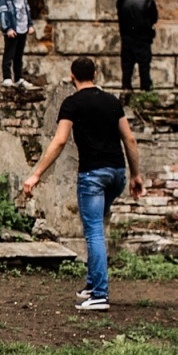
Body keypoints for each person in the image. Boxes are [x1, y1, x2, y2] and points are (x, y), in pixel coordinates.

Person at [21, 57, 146, 312]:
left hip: (93, 175)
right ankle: (92, 284)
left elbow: (59, 141)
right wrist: (136, 175)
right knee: (96, 226)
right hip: (117, 174)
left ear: (72, 76)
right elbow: (130, 139)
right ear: (95, 74)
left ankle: (99, 294)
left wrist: (36, 175)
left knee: (94, 231)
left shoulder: (72, 103)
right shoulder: (112, 101)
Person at [116, 0, 159, 93]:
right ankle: (145, 90)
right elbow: (154, 19)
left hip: (127, 38)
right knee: (144, 67)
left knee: (127, 67)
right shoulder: (148, 2)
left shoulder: (121, 2)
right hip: (143, 39)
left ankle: (126, 89)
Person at [0, 0, 32, 89]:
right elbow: (3, 12)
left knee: (19, 55)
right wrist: (7, 28)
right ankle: (7, 77)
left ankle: (18, 78)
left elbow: (26, 9)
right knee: (9, 54)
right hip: (13, 29)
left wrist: (30, 24)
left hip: (22, 28)